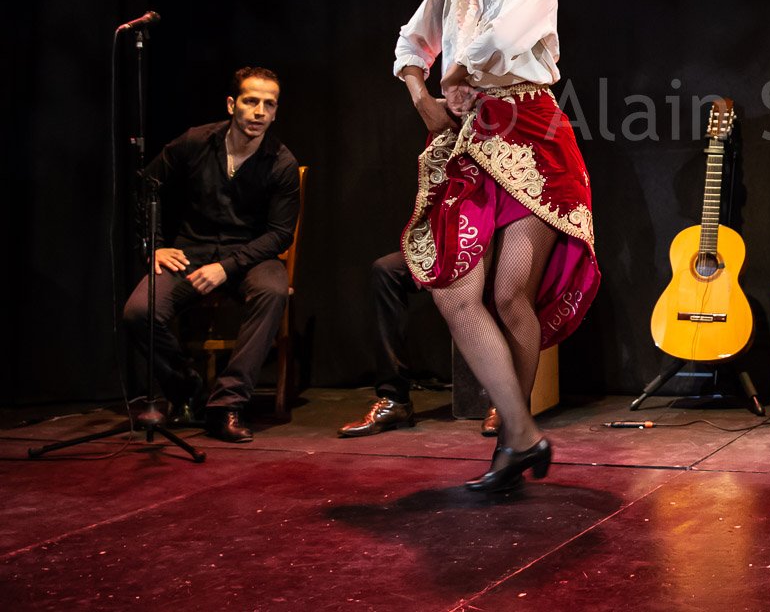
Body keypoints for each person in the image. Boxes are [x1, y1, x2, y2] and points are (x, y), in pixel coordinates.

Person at [393, 0, 599, 492]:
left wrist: (454, 73)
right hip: (469, 141)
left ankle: (513, 437)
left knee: (511, 297)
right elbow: (411, 42)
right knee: (454, 292)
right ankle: (523, 434)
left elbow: (501, 42)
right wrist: (423, 96)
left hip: (532, 138)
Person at [123, 67, 300, 444]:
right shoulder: (196, 142)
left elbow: (279, 234)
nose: (260, 111)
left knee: (272, 291)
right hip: (193, 250)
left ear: (276, 112)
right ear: (232, 104)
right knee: (138, 312)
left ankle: (225, 405)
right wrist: (154, 245)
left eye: (269, 104)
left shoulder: (281, 162)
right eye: (251, 101)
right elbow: (147, 184)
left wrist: (226, 267)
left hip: (251, 257)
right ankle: (186, 389)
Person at [337, 252, 499, 437]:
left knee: (499, 276)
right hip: (447, 249)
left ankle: (503, 404)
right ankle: (394, 401)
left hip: (487, 250)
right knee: (386, 270)